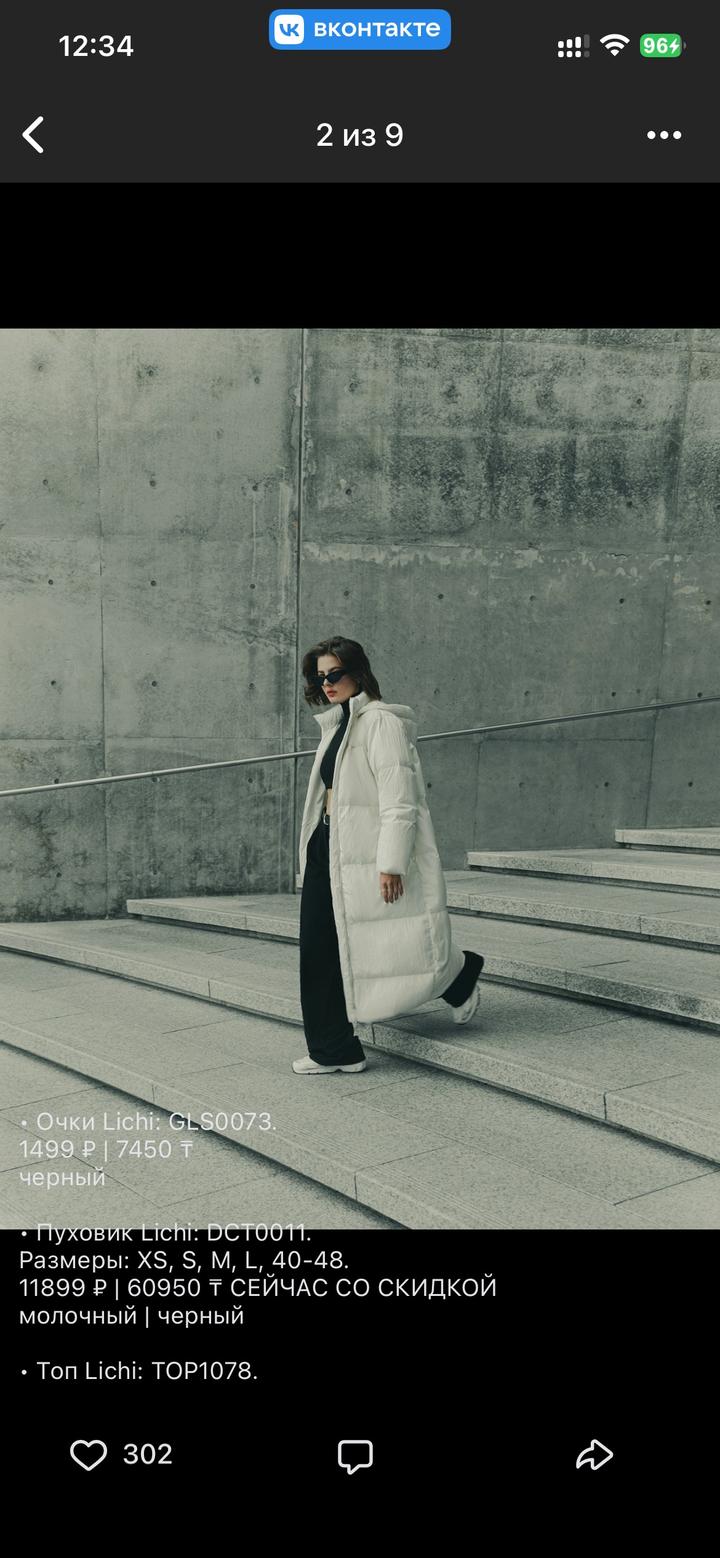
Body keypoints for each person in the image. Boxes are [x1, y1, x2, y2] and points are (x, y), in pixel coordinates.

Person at [294, 636, 484, 1075]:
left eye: (335, 674)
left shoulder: (380, 722)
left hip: (361, 851)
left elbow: (400, 801)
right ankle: (336, 1048)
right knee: (318, 948)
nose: (327, 684)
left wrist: (391, 863)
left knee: (383, 940)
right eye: (320, 677)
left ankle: (457, 976)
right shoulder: (339, 723)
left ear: (358, 672)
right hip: (328, 846)